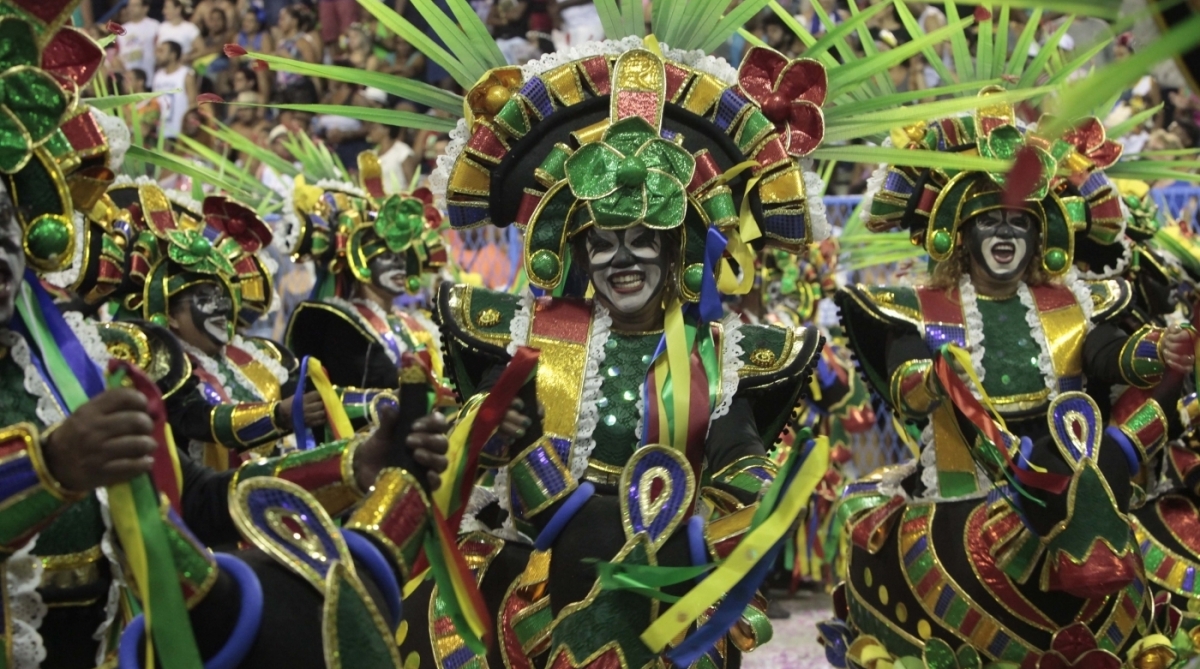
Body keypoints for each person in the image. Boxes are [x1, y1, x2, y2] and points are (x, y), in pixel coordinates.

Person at [152, 40, 197, 141]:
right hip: (161, 131)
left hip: (179, 132)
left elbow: (193, 104)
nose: (157, 54)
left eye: (162, 51)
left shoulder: (186, 74)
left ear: (173, 55)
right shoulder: (158, 76)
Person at [116, 0, 160, 77]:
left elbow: (159, 49)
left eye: (135, 5)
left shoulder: (155, 26)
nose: (130, 8)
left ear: (145, 8)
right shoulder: (121, 30)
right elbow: (117, 55)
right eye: (129, 6)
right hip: (128, 77)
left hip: (150, 74)